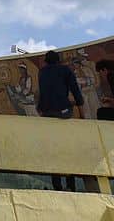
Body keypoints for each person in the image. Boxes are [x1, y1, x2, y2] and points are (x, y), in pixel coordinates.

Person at [37, 50, 85, 191]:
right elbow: (75, 90)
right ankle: (71, 185)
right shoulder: (65, 70)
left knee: (53, 150)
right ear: (59, 60)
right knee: (67, 148)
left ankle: (57, 186)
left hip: (47, 113)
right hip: (63, 112)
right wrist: (81, 112)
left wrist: (41, 109)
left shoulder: (42, 72)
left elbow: (43, 92)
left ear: (46, 61)